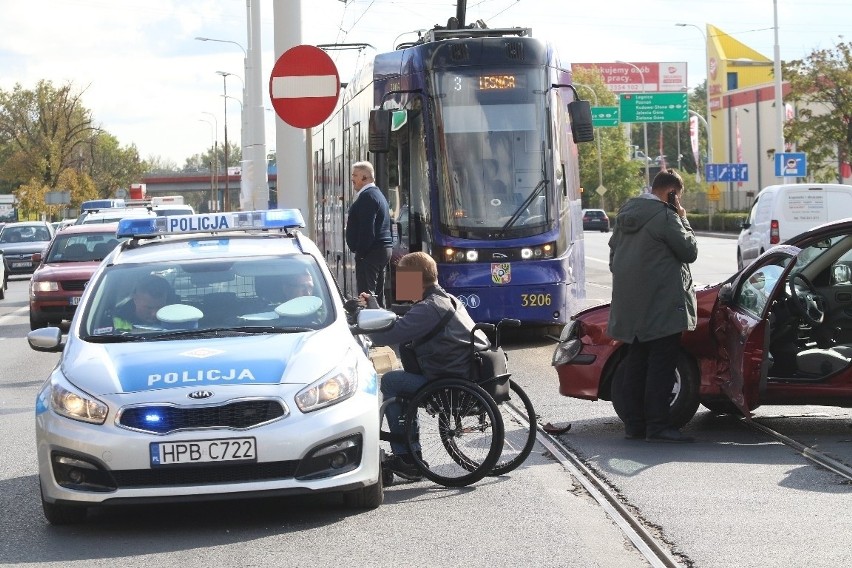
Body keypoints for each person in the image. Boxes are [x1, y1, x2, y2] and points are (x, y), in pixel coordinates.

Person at [362, 252, 489, 479]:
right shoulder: (447, 299)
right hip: (463, 373)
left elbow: (391, 334)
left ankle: (407, 455)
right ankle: (413, 449)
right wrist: (374, 306)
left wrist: (360, 328)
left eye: (403, 278)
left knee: (391, 381)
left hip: (445, 380)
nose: (400, 284)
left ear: (415, 278)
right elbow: (401, 319)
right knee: (402, 381)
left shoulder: (429, 308)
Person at [607, 169, 698, 443]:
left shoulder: (626, 214)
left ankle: (634, 425)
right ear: (672, 193)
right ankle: (658, 425)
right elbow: (689, 251)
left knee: (636, 362)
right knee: (661, 365)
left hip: (630, 306)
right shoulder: (666, 216)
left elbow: (614, 258)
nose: (678, 201)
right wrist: (683, 217)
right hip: (662, 305)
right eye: (677, 196)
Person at [345, 161, 393, 307]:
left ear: (364, 178)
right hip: (381, 250)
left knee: (366, 295)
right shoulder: (377, 194)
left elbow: (367, 230)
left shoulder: (367, 197)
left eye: (354, 175)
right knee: (377, 295)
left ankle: (371, 325)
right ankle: (382, 323)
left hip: (371, 253)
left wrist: (360, 253)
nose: (352, 179)